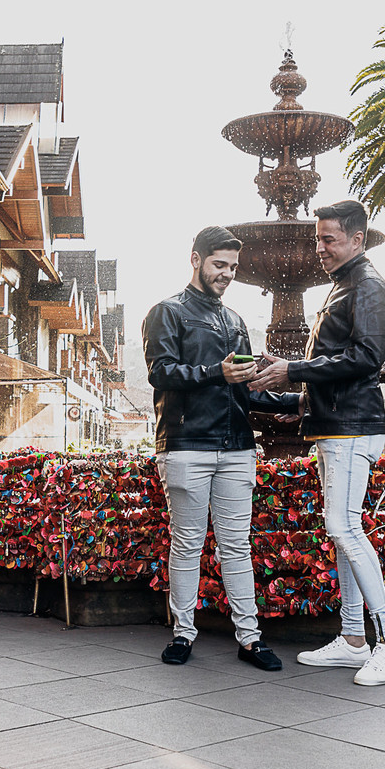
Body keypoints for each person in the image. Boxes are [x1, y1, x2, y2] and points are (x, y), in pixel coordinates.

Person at [248, 200, 385, 686]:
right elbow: (338, 360)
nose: (319, 248)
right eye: (317, 239)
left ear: (356, 239)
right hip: (335, 424)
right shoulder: (345, 285)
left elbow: (366, 358)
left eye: (329, 239)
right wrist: (288, 375)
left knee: (343, 526)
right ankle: (354, 640)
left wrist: (293, 369)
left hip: (353, 427)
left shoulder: (371, 286)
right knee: (341, 529)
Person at [142, 225, 301, 671]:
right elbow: (162, 373)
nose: (227, 274)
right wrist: (217, 372)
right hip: (186, 444)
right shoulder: (166, 312)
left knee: (235, 546)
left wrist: (303, 402)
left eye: (233, 266)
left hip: (236, 448)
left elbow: (248, 390)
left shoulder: (234, 321)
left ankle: (250, 640)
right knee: (188, 544)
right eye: (219, 264)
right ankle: (183, 634)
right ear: (195, 259)